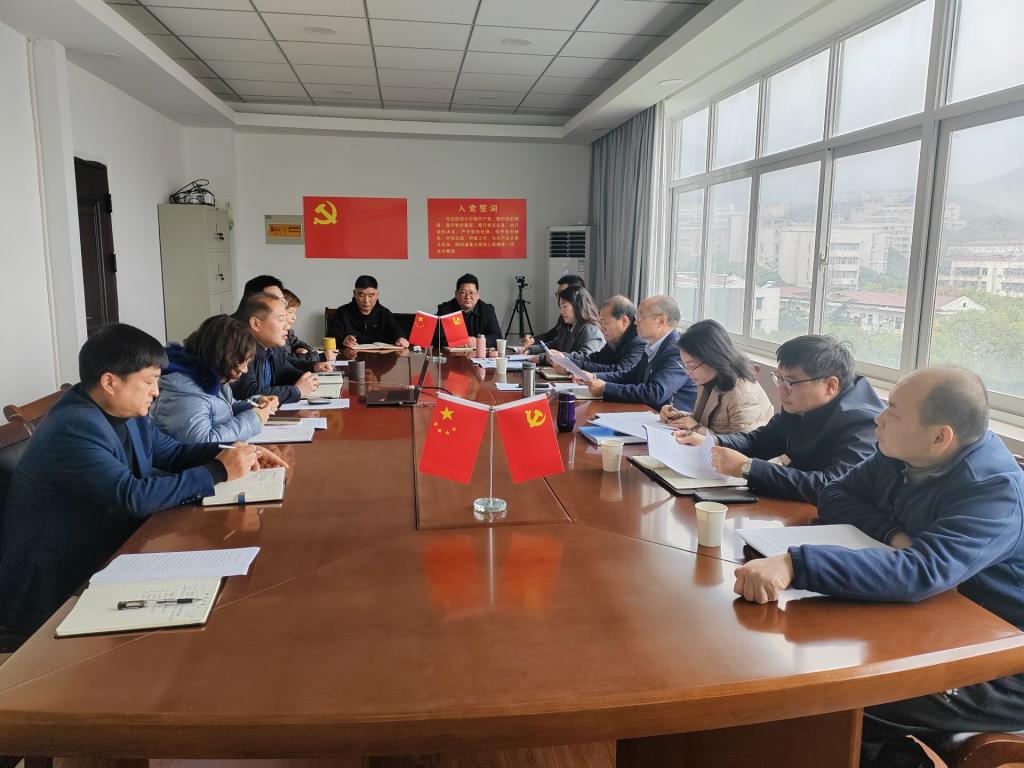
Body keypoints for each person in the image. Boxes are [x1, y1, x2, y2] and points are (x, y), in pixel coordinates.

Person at [731, 367, 1024, 768]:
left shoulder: (993, 492)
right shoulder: (901, 454)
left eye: (894, 412)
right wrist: (892, 534)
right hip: (934, 622)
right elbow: (834, 493)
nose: (878, 419)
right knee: (804, 674)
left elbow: (921, 572)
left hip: (1004, 661)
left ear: (940, 437)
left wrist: (796, 564)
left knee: (840, 700)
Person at [0, 323, 285, 638]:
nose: (156, 392)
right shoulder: (74, 427)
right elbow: (132, 495)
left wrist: (234, 453)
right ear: (110, 382)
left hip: (110, 546)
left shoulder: (121, 410)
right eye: (149, 381)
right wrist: (218, 471)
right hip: (58, 577)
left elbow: (172, 452)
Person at [675, 334, 883, 504]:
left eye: (790, 382)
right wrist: (712, 441)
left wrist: (747, 468)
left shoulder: (863, 423)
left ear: (830, 385)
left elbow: (832, 485)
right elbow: (760, 440)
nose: (782, 390)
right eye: (779, 379)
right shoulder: (802, 402)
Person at [151, 314, 277, 443]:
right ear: (224, 356)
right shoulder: (185, 393)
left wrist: (255, 404)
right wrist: (253, 419)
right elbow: (202, 442)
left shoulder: (213, 378)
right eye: (242, 362)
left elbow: (226, 410)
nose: (245, 370)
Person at [578, 295, 696, 411]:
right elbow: (630, 376)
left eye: (640, 317)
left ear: (660, 321)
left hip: (669, 421)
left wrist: (605, 388)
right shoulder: (653, 345)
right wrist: (594, 376)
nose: (635, 322)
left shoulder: (677, 351)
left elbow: (655, 393)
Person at [658, 319, 773, 436]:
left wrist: (695, 427)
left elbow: (743, 444)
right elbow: (708, 421)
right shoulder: (709, 379)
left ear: (713, 358)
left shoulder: (742, 394)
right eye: (684, 366)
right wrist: (680, 416)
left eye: (691, 366)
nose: (688, 373)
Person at [231, 292, 320, 404]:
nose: (286, 326)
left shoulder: (272, 347)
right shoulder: (241, 348)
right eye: (280, 319)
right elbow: (249, 393)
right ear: (256, 323)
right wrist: (296, 391)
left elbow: (285, 371)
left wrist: (307, 379)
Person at [548, 294, 645, 374]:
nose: (601, 328)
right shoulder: (616, 339)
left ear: (624, 321)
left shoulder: (639, 342)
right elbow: (595, 358)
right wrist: (566, 359)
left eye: (605, 322)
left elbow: (619, 371)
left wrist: (572, 367)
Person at [523, 285, 603, 361]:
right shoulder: (568, 327)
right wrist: (530, 349)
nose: (562, 311)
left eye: (565, 307)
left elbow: (585, 357)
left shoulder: (591, 330)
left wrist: (544, 358)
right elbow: (554, 345)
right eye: (561, 307)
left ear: (578, 306)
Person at [327, 275, 409, 349]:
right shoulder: (342, 312)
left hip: (379, 359)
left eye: (371, 295)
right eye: (361, 295)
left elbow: (395, 329)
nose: (366, 301)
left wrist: (400, 338)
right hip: (351, 358)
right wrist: (343, 339)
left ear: (377, 294)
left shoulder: (384, 313)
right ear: (354, 294)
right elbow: (332, 334)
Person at [519, 274, 585, 349]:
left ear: (577, 295)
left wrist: (561, 354)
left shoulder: (588, 326)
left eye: (563, 293)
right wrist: (533, 340)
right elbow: (552, 336)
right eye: (558, 294)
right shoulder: (565, 317)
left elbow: (583, 355)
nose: (560, 298)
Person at [436, 273, 502, 347]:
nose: (468, 297)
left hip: (479, 353)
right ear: (456, 294)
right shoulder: (445, 309)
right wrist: (458, 342)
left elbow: (497, 336)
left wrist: (478, 341)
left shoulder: (487, 310)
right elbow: (437, 337)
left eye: (471, 293)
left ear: (478, 295)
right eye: (463, 292)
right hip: (453, 353)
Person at [282, 289, 330, 366]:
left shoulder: (287, 332)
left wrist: (299, 348)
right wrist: (320, 357)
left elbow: (298, 343)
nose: (294, 317)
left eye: (295, 312)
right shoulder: (274, 336)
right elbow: (286, 360)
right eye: (290, 312)